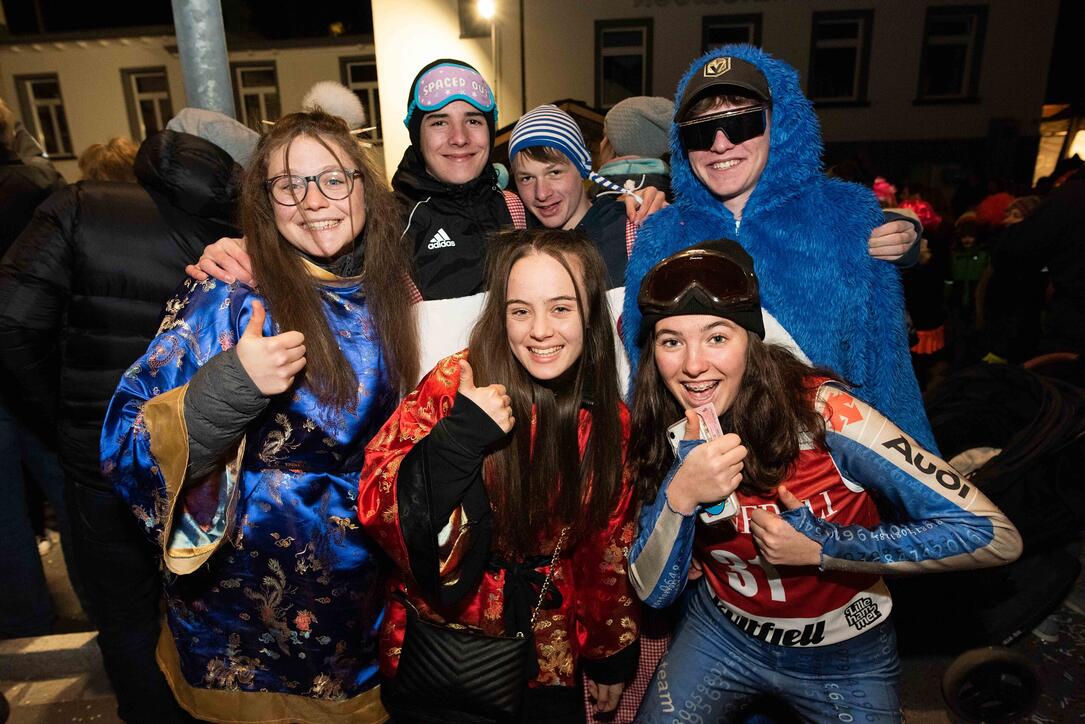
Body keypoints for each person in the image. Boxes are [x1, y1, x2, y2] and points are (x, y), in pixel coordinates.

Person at [99, 111, 418, 722]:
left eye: (332, 179)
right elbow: (123, 443)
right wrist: (230, 388)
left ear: (363, 188)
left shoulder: (388, 289)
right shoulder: (231, 296)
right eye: (287, 185)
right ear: (265, 202)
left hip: (359, 609)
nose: (311, 200)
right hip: (243, 620)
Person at [626, 239, 1023, 722]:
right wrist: (680, 497)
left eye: (717, 337)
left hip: (844, 652)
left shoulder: (825, 413)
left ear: (752, 338)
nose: (692, 365)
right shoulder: (660, 415)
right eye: (671, 341)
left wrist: (825, 549)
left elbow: (993, 534)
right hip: (722, 633)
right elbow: (653, 592)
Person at [0, 109, 255, 718]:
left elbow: (11, 323)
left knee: (127, 619)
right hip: (207, 465)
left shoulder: (79, 206)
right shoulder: (247, 234)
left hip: (100, 469)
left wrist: (67, 422)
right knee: (219, 613)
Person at [359, 229, 640, 723]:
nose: (540, 331)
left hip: (542, 650)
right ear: (501, 315)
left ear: (590, 313)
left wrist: (608, 654)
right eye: (520, 310)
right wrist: (458, 438)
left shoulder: (610, 423)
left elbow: (606, 551)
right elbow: (377, 506)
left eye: (560, 308)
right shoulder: (456, 383)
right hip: (436, 642)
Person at [621, 46, 934, 450]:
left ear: (778, 123)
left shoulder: (848, 219)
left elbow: (888, 371)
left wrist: (917, 493)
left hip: (830, 484)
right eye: (701, 130)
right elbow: (641, 381)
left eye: (741, 123)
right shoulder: (659, 234)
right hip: (706, 484)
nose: (719, 145)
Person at [594, 96, 673, 202]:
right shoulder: (675, 193)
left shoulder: (603, 193)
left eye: (605, 135)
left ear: (617, 146)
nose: (601, 143)